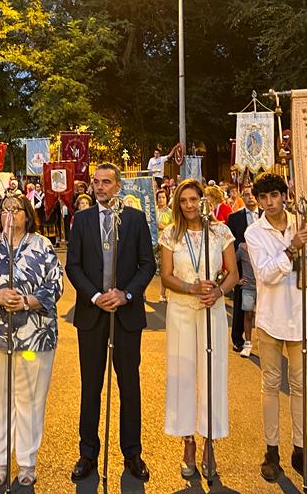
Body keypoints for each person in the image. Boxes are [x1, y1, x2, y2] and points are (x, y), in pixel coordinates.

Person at [66, 163, 155, 483]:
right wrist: (94, 296)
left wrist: (126, 294)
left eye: (106, 182)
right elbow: (73, 266)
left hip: (126, 314)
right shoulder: (82, 220)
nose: (100, 187)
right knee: (91, 385)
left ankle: (132, 452)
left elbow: (147, 264)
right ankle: (88, 452)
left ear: (118, 186)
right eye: (96, 182)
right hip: (92, 314)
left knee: (129, 385)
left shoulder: (135, 218)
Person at [0, 193, 63, 487]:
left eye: (16, 209)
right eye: (5, 209)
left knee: (30, 400)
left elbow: (55, 285)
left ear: (27, 214)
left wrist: (25, 301)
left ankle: (27, 461)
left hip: (34, 338)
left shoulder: (42, 245)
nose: (10, 214)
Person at [245, 172, 307, 483]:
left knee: (300, 386)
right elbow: (265, 274)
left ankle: (300, 450)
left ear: (284, 196)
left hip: (304, 315)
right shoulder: (254, 232)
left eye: (274, 196)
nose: (269, 202)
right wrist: (291, 249)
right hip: (271, 317)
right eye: (263, 197)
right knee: (270, 385)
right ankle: (271, 452)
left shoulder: (304, 223)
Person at [158, 180, 238, 478]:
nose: (189, 205)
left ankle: (209, 442)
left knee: (211, 375)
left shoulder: (220, 232)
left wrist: (218, 291)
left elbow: (233, 273)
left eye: (194, 199)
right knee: (183, 375)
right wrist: (190, 287)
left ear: (203, 201)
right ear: (177, 204)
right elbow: (166, 276)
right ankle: (188, 441)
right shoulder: (170, 234)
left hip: (211, 310)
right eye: (183, 201)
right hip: (181, 310)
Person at [227, 184, 260, 354]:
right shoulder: (235, 218)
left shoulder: (265, 215)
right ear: (242, 197)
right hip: (242, 269)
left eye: (253, 194)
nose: (250, 197)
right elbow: (230, 246)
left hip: (263, 271)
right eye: (246, 194)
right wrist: (235, 275)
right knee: (241, 308)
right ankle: (238, 339)